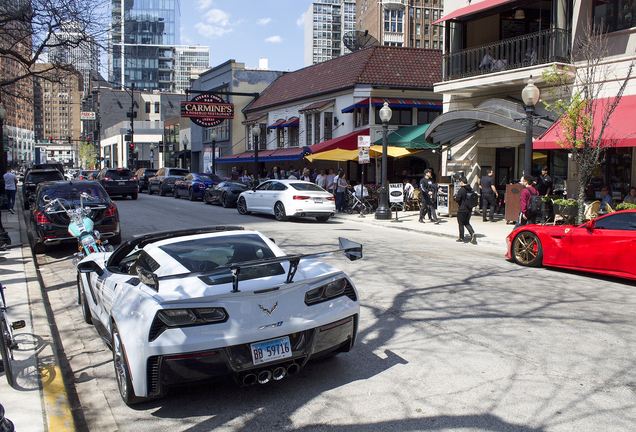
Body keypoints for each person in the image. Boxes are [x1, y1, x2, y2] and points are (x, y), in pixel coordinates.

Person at [454, 176, 477, 244]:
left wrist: (454, 198)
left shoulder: (461, 190)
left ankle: (461, 237)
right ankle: (472, 233)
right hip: (469, 208)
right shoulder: (470, 189)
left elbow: (458, 199)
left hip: (462, 209)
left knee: (461, 223)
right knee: (467, 222)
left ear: (461, 182)